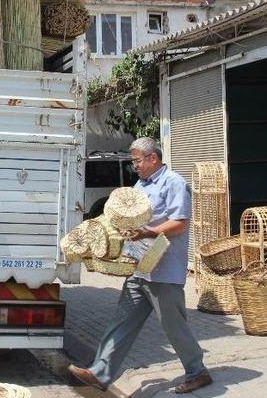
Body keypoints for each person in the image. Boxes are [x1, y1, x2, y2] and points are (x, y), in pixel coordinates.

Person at [68, 137, 212, 394]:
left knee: (173, 326)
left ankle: (198, 372)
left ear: (152, 158)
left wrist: (148, 232)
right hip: (140, 268)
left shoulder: (174, 183)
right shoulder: (140, 185)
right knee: (122, 321)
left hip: (164, 271)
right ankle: (100, 373)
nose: (134, 166)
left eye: (136, 161)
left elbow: (180, 223)